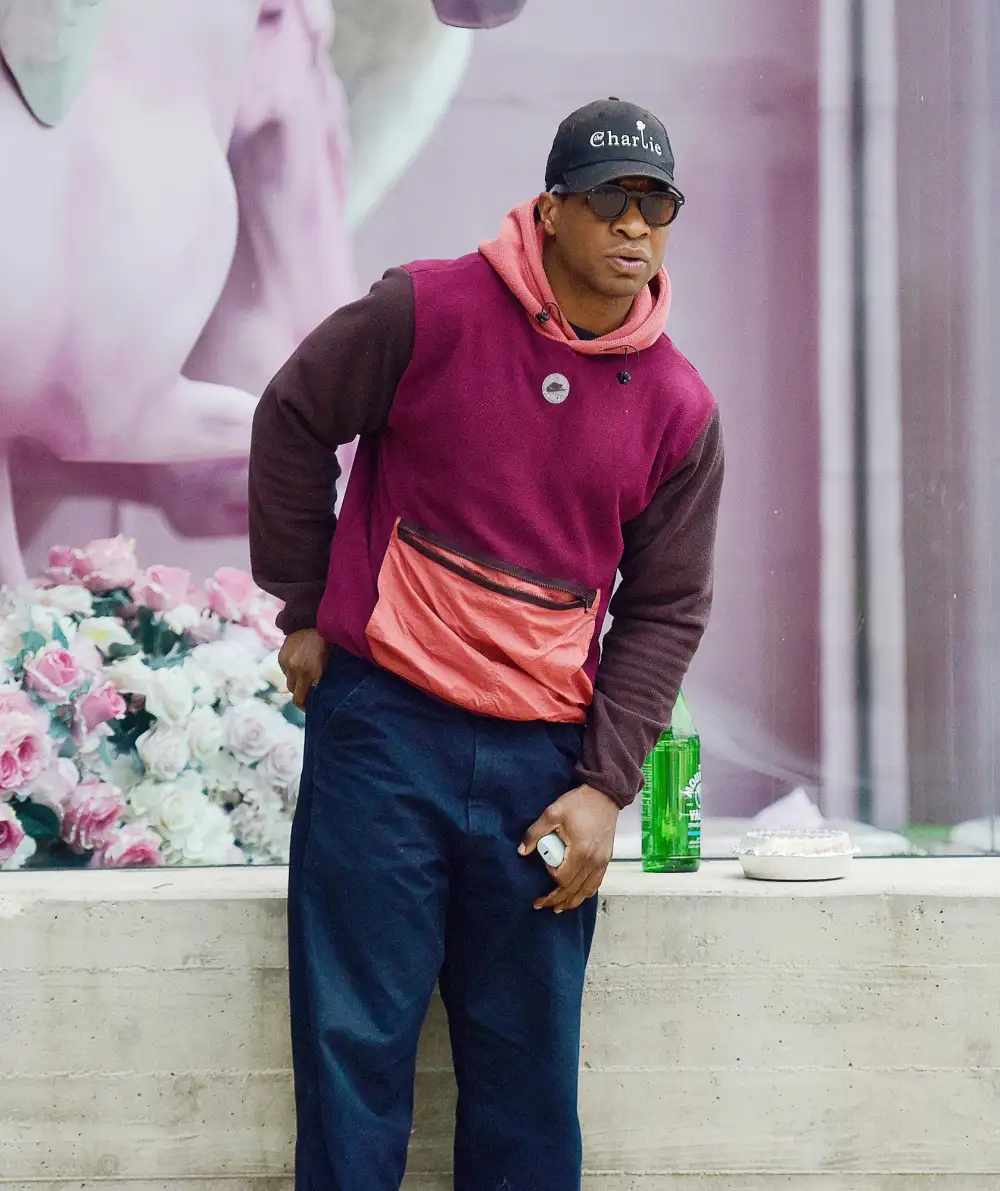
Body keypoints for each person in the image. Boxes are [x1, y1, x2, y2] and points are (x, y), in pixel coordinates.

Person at [248, 96, 724, 1191]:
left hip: (541, 773)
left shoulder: (680, 408)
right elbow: (292, 417)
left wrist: (603, 786)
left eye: (657, 205)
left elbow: (665, 608)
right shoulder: (427, 310)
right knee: (351, 1055)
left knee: (527, 1088)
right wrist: (306, 604)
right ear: (552, 209)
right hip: (383, 735)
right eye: (609, 200)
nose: (634, 226)